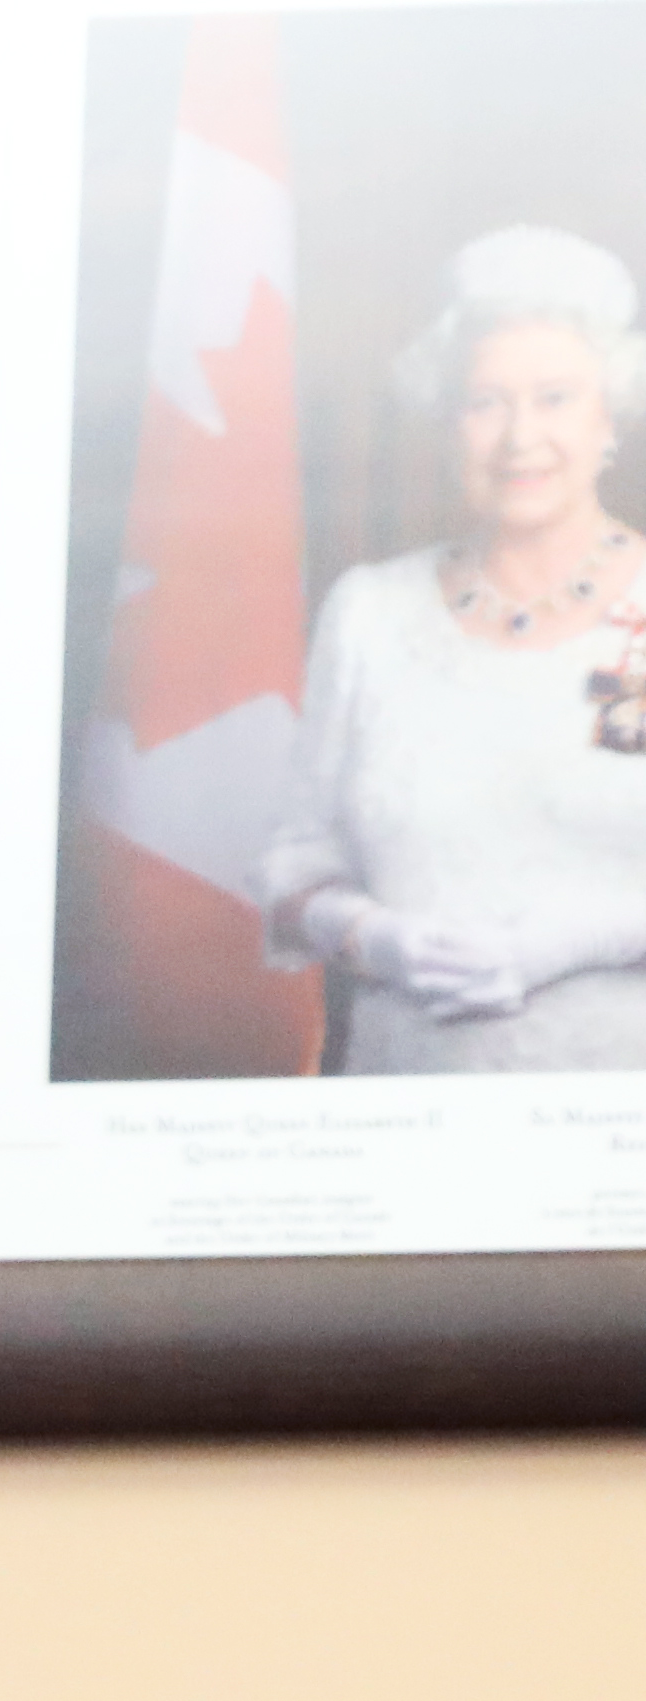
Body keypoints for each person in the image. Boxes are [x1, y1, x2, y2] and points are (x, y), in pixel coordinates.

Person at [266, 225, 646, 1070]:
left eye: (555, 398)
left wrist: (577, 941)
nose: (520, 437)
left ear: (607, 418)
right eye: (485, 402)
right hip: (407, 1108)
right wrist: (375, 937)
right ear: (448, 423)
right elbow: (294, 872)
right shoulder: (367, 612)